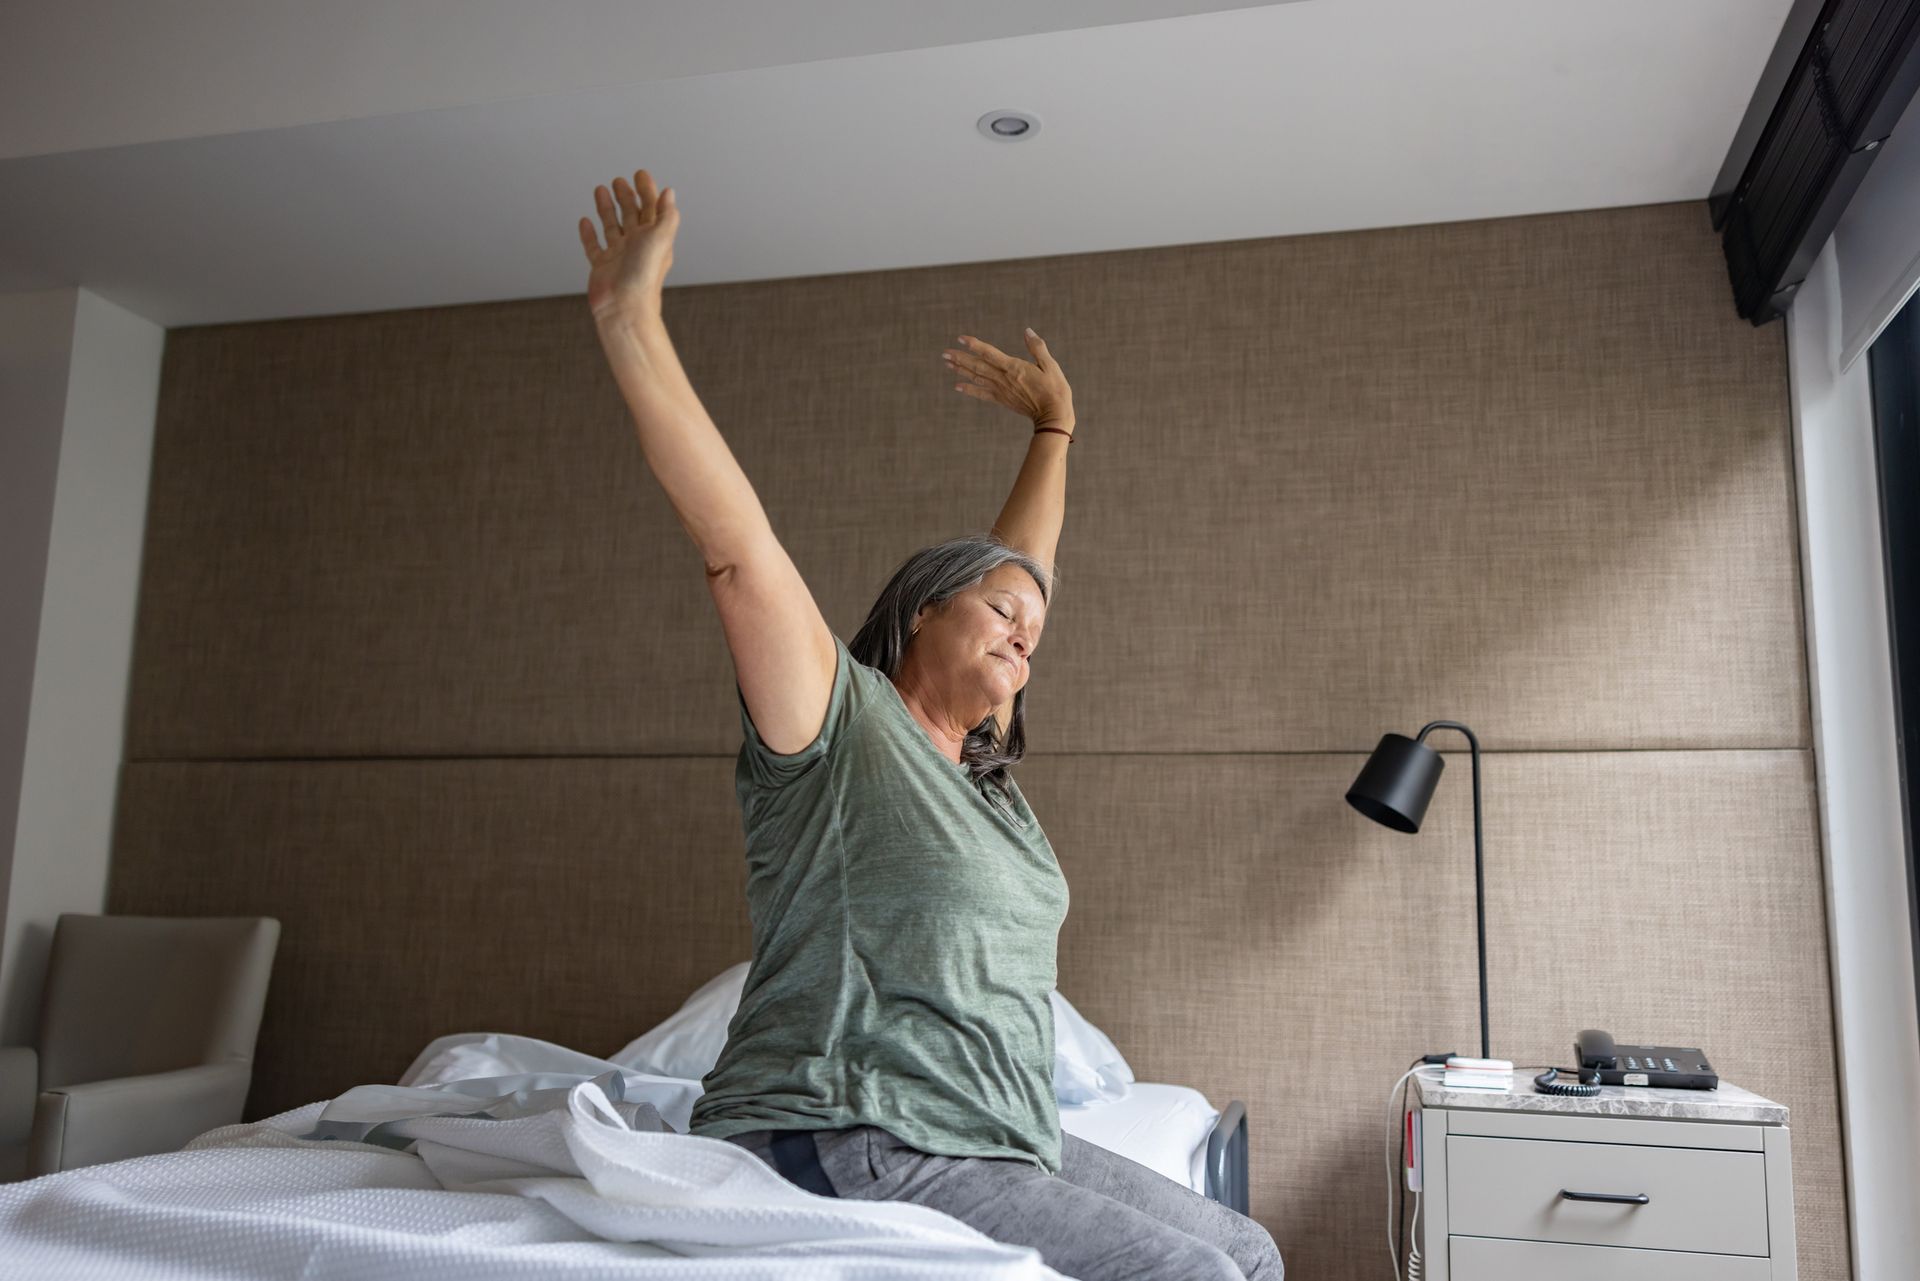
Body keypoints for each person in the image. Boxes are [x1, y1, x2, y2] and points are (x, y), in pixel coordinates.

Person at [579, 168, 1282, 1280]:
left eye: (1033, 636)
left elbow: (1020, 575)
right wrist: (632, 322)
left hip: (999, 1136)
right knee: (1189, 1275)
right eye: (1000, 618)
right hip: (852, 1128)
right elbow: (738, 550)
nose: (1024, 638)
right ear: (921, 612)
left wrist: (1056, 429)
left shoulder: (987, 788)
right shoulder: (842, 734)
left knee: (1247, 1246)